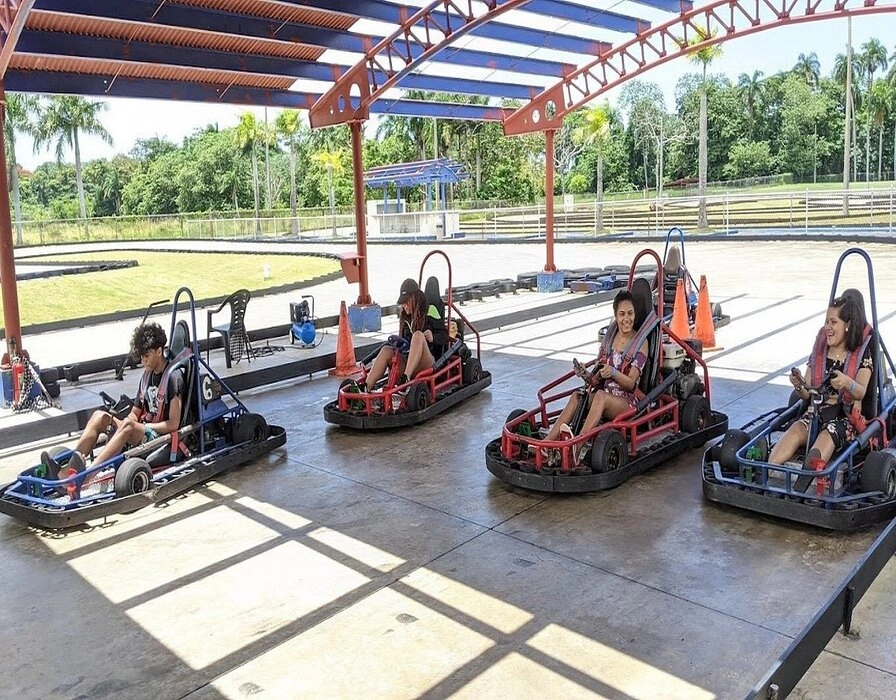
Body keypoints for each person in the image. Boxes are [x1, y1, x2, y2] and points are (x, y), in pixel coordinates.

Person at [41, 322, 186, 480]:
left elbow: (173, 425)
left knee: (129, 426)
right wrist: (122, 423)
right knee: (99, 416)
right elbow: (135, 412)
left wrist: (138, 426)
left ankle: (87, 478)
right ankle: (67, 471)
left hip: (160, 438)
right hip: (141, 430)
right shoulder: (147, 376)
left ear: (159, 351)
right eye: (142, 356)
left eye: (147, 356)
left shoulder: (173, 377)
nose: (143, 361)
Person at [768, 295, 872, 467]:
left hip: (844, 417)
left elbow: (861, 392)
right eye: (826, 322)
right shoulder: (820, 350)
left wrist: (847, 382)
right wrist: (798, 384)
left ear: (847, 325)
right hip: (815, 412)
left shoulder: (861, 354)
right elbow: (807, 393)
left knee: (826, 437)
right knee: (794, 430)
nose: (828, 328)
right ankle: (769, 471)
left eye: (833, 322)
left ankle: (808, 479)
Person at [543, 289, 649, 444]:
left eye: (630, 313)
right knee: (577, 396)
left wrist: (613, 372)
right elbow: (595, 380)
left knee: (600, 396)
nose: (627, 319)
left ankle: (577, 445)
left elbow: (631, 383)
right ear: (615, 316)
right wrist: (585, 374)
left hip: (627, 401)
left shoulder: (640, 343)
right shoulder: (610, 338)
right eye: (622, 314)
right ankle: (547, 443)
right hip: (605, 396)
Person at [364, 279, 448, 392]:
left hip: (428, 363)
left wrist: (433, 337)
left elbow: (445, 336)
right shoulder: (405, 318)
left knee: (418, 335)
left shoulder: (430, 310)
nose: (404, 306)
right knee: (386, 350)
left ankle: (405, 380)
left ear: (414, 299)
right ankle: (365, 388)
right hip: (408, 361)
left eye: (406, 302)